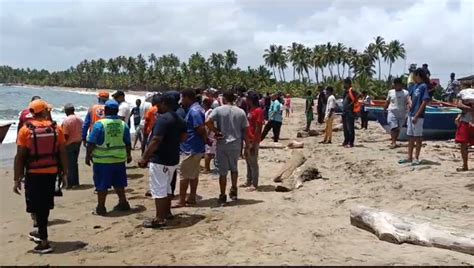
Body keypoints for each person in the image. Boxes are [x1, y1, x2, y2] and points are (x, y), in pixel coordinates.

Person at [14, 99, 68, 254]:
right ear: (45, 112)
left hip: (33, 173)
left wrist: (16, 179)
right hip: (51, 173)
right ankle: (41, 233)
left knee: (37, 206)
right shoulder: (55, 128)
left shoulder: (25, 130)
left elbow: (20, 157)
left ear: (32, 113)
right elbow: (62, 152)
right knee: (44, 205)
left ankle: (44, 242)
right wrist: (65, 173)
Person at [138, 94, 187, 228]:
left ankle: (159, 218)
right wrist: (172, 143)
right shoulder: (180, 119)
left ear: (165, 104)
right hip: (173, 158)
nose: (156, 107)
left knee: (159, 189)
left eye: (159, 104)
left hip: (161, 159)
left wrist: (144, 158)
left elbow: (155, 140)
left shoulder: (163, 120)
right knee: (167, 187)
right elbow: (184, 137)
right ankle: (167, 212)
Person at [86, 100, 132, 216]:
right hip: (119, 159)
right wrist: (129, 155)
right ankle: (123, 202)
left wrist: (87, 156)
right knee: (119, 183)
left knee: (102, 185)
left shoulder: (100, 124)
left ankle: (101, 207)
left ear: (105, 110)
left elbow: (91, 142)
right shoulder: (123, 124)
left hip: (103, 160)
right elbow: (127, 142)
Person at [206, 90, 249, 205]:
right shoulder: (241, 112)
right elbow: (245, 129)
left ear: (224, 98)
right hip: (236, 144)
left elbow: (208, 122)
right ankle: (234, 189)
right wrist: (247, 145)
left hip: (222, 143)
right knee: (234, 168)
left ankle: (222, 195)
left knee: (222, 172)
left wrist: (216, 131)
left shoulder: (218, 110)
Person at [174, 89, 206, 208]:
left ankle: (182, 200)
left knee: (184, 175)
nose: (181, 101)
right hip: (194, 147)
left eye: (183, 98)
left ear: (188, 97)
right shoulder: (197, 109)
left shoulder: (194, 111)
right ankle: (191, 197)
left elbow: (200, 128)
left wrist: (204, 140)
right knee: (193, 174)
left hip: (191, 148)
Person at [398, 68, 431, 166]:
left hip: (418, 116)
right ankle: (409, 157)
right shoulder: (414, 86)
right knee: (410, 137)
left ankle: (416, 157)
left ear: (418, 75)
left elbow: (424, 102)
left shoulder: (423, 86)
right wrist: (409, 103)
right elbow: (409, 96)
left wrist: (417, 115)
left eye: (414, 75)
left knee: (418, 137)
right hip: (411, 114)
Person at [241, 92, 264, 191]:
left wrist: (254, 143)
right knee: (248, 160)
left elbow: (258, 128)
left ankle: (254, 184)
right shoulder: (250, 110)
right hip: (247, 139)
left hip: (253, 139)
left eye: (247, 98)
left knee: (253, 161)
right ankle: (248, 180)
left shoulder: (258, 111)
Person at [62, 103, 84, 188]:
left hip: (69, 144)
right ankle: (75, 181)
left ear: (67, 111)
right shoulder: (80, 119)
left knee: (69, 163)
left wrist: (62, 145)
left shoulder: (66, 121)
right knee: (74, 162)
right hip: (78, 142)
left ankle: (70, 183)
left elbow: (65, 135)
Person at [384, 78, 410, 149]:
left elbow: (408, 102)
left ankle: (394, 140)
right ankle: (394, 142)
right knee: (393, 127)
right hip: (392, 112)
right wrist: (384, 109)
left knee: (398, 129)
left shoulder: (405, 93)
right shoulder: (390, 92)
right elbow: (387, 101)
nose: (396, 86)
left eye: (397, 85)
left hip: (402, 113)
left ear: (401, 85)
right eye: (395, 85)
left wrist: (408, 110)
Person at [455, 85, 474, 171]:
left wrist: (469, 109)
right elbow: (459, 105)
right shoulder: (465, 93)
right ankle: (465, 165)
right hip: (466, 121)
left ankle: (465, 165)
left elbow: (459, 105)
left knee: (463, 145)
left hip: (466, 121)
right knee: (463, 144)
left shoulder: (463, 93)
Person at [342, 77, 360, 148]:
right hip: (344, 112)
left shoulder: (351, 90)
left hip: (350, 112)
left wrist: (352, 103)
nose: (343, 85)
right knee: (345, 128)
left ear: (348, 84)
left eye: (344, 83)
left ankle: (351, 142)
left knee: (350, 128)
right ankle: (346, 140)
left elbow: (359, 94)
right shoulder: (345, 92)